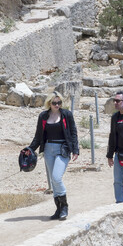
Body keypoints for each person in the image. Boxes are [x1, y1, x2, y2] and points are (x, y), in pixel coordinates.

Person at [26, 91, 79, 220]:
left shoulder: (67, 114)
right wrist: (30, 148)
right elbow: (38, 136)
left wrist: (75, 150)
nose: (57, 105)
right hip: (48, 149)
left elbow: (73, 133)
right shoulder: (43, 116)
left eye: (59, 102)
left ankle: (65, 206)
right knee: (52, 181)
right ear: (49, 103)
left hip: (63, 150)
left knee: (56, 177)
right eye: (54, 103)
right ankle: (58, 209)